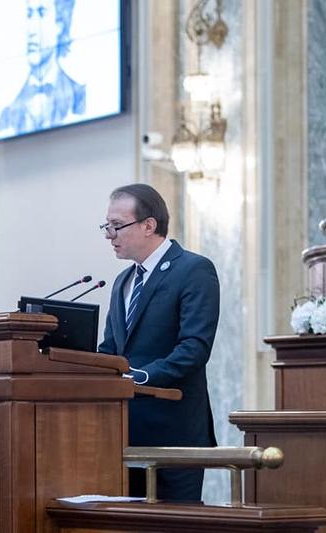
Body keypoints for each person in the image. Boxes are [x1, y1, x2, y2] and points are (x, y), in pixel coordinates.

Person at [98, 184, 220, 501]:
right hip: (124, 434)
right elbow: (110, 350)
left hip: (174, 434)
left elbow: (194, 348)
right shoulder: (123, 281)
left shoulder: (193, 269)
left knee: (174, 522)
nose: (109, 235)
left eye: (116, 226)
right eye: (106, 226)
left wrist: (139, 377)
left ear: (148, 225)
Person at [0, 0, 85, 134]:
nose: (31, 30)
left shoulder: (80, 97)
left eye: (42, 13)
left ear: (60, 23)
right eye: (29, 14)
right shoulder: (8, 114)